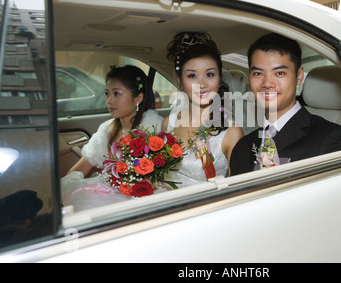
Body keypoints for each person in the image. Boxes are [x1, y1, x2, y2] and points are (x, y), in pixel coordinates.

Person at [229, 33, 341, 175]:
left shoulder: (331, 139)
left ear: (299, 76)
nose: (267, 83)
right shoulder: (242, 147)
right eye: (258, 73)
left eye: (279, 73)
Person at [61, 65, 164, 210]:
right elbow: (80, 168)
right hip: (110, 194)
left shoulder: (154, 129)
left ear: (138, 98)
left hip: (144, 199)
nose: (109, 100)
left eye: (117, 94)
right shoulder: (107, 130)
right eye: (106, 93)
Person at [162, 32, 244, 186]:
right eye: (192, 76)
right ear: (180, 81)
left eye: (210, 74)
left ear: (219, 79)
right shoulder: (169, 123)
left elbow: (236, 191)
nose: (202, 84)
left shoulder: (231, 133)